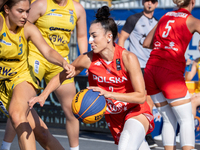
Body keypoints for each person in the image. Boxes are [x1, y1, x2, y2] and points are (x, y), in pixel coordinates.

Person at [28, 6, 155, 150]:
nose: (89, 40)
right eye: (89, 35)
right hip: (114, 117)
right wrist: (44, 95)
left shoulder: (128, 58)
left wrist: (108, 94)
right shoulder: (87, 59)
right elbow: (61, 76)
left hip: (136, 111)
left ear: (109, 37)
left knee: (125, 146)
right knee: (137, 146)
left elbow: (140, 97)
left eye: (94, 36)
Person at [1, 0, 87, 150]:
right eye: (20, 11)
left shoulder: (28, 28)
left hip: (20, 77)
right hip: (12, 77)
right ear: (6, 9)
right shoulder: (1, 22)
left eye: (27, 11)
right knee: (42, 133)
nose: (25, 16)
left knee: (17, 115)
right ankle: (5, 145)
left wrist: (63, 63)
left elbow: (47, 51)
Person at [143, 0, 200, 149]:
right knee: (186, 119)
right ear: (192, 2)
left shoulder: (164, 16)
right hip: (169, 71)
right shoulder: (192, 20)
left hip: (151, 69)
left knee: (169, 119)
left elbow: (147, 43)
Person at [118, 0, 158, 148]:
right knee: (140, 99)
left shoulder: (157, 22)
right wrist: (120, 61)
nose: (150, 3)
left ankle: (143, 131)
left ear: (156, 4)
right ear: (143, 2)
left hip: (151, 66)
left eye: (153, 1)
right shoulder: (134, 19)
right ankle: (145, 135)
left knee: (150, 101)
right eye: (147, 0)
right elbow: (122, 38)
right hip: (137, 66)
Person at [185, 40, 200, 118]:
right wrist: (188, 67)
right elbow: (188, 78)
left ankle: (190, 128)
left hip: (198, 94)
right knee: (187, 99)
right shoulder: (196, 61)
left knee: (193, 101)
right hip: (197, 92)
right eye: (199, 45)